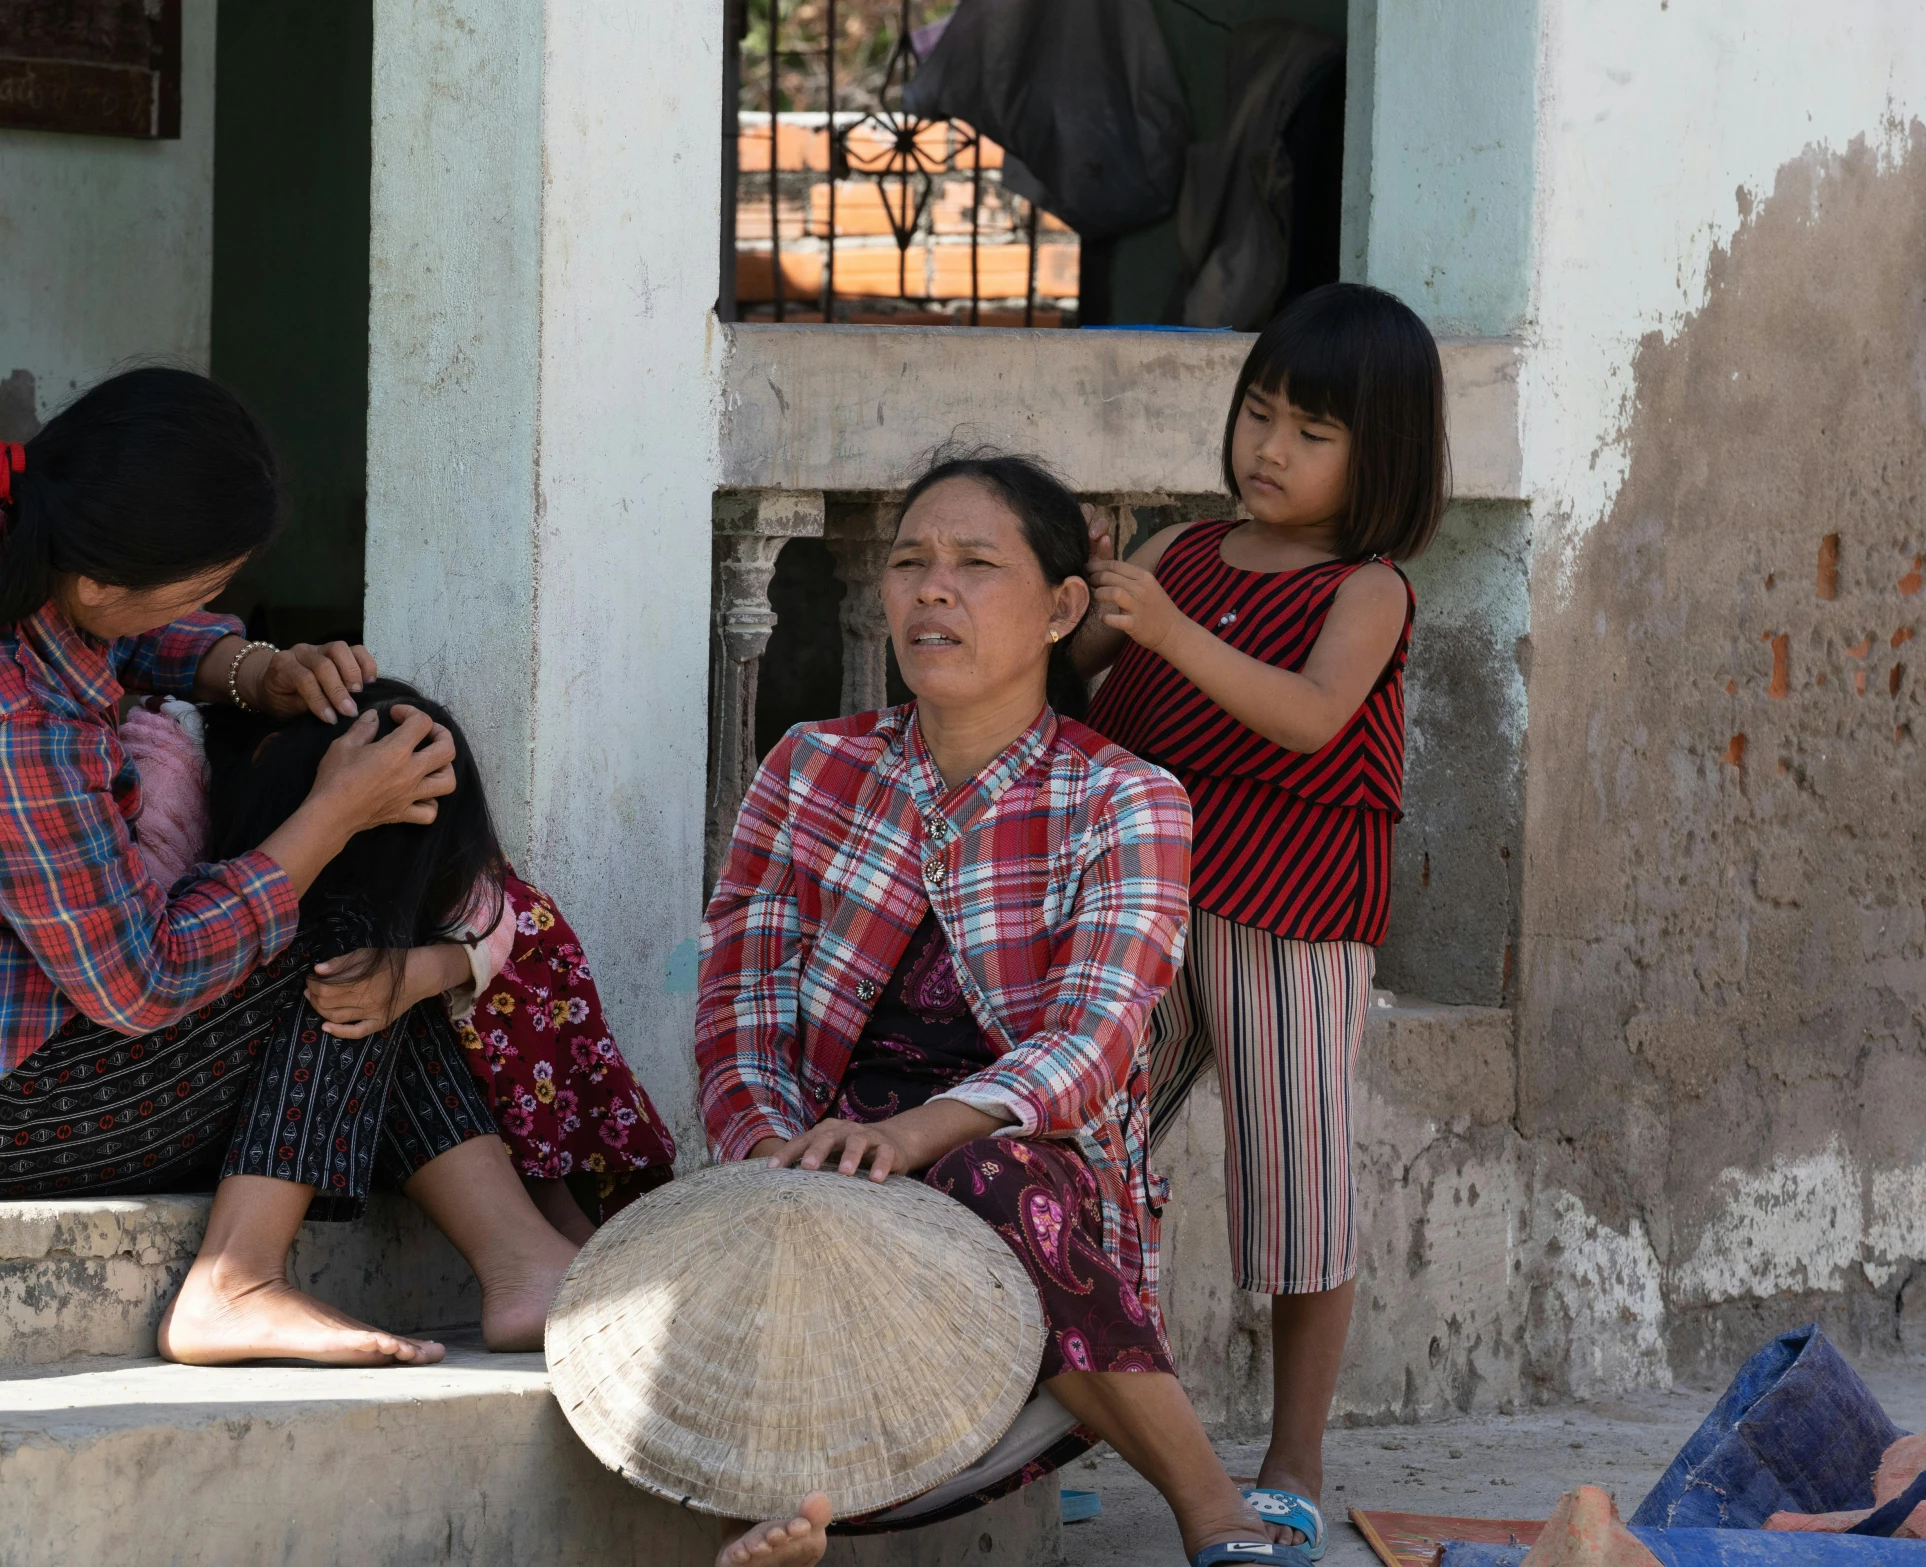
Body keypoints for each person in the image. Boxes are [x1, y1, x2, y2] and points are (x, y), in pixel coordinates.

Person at [0, 367, 570, 1365]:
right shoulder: (6, 730)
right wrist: (327, 816)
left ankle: (523, 1261)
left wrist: (252, 670)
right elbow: (140, 980)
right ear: (106, 581)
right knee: (338, 937)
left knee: (356, 967)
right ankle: (237, 1280)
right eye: (199, 589)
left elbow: (106, 632)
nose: (213, 604)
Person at [699, 451, 1303, 1567]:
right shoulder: (809, 766)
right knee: (722, 1263)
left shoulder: (1123, 796)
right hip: (828, 1157)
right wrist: (777, 1159)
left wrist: (913, 1137)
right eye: (910, 563)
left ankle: (1211, 1506)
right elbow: (740, 1011)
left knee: (978, 1180)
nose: (933, 589)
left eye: (976, 564)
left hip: (1030, 1165)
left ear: (1060, 608)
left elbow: (1094, 1044)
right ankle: (812, 1514)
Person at [1069, 281, 1450, 1558]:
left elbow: (1305, 718)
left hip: (1288, 915)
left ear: (1381, 454)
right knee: (1083, 1150)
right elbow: (1103, 694)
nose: (1268, 448)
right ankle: (1076, 1431)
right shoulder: (1184, 550)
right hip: (1144, 907)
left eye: (1312, 431)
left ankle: (1291, 1456)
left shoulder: (1367, 590)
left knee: (1296, 1183)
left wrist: (1167, 629)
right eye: (1260, 413)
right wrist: (1086, 598)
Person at [204, 683, 677, 1246]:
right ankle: (554, 1246)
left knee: (503, 943)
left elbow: (500, 921)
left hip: (511, 1092)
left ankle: (564, 1237)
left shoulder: (478, 891)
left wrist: (427, 971)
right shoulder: (221, 817)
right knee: (365, 961)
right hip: (404, 1089)